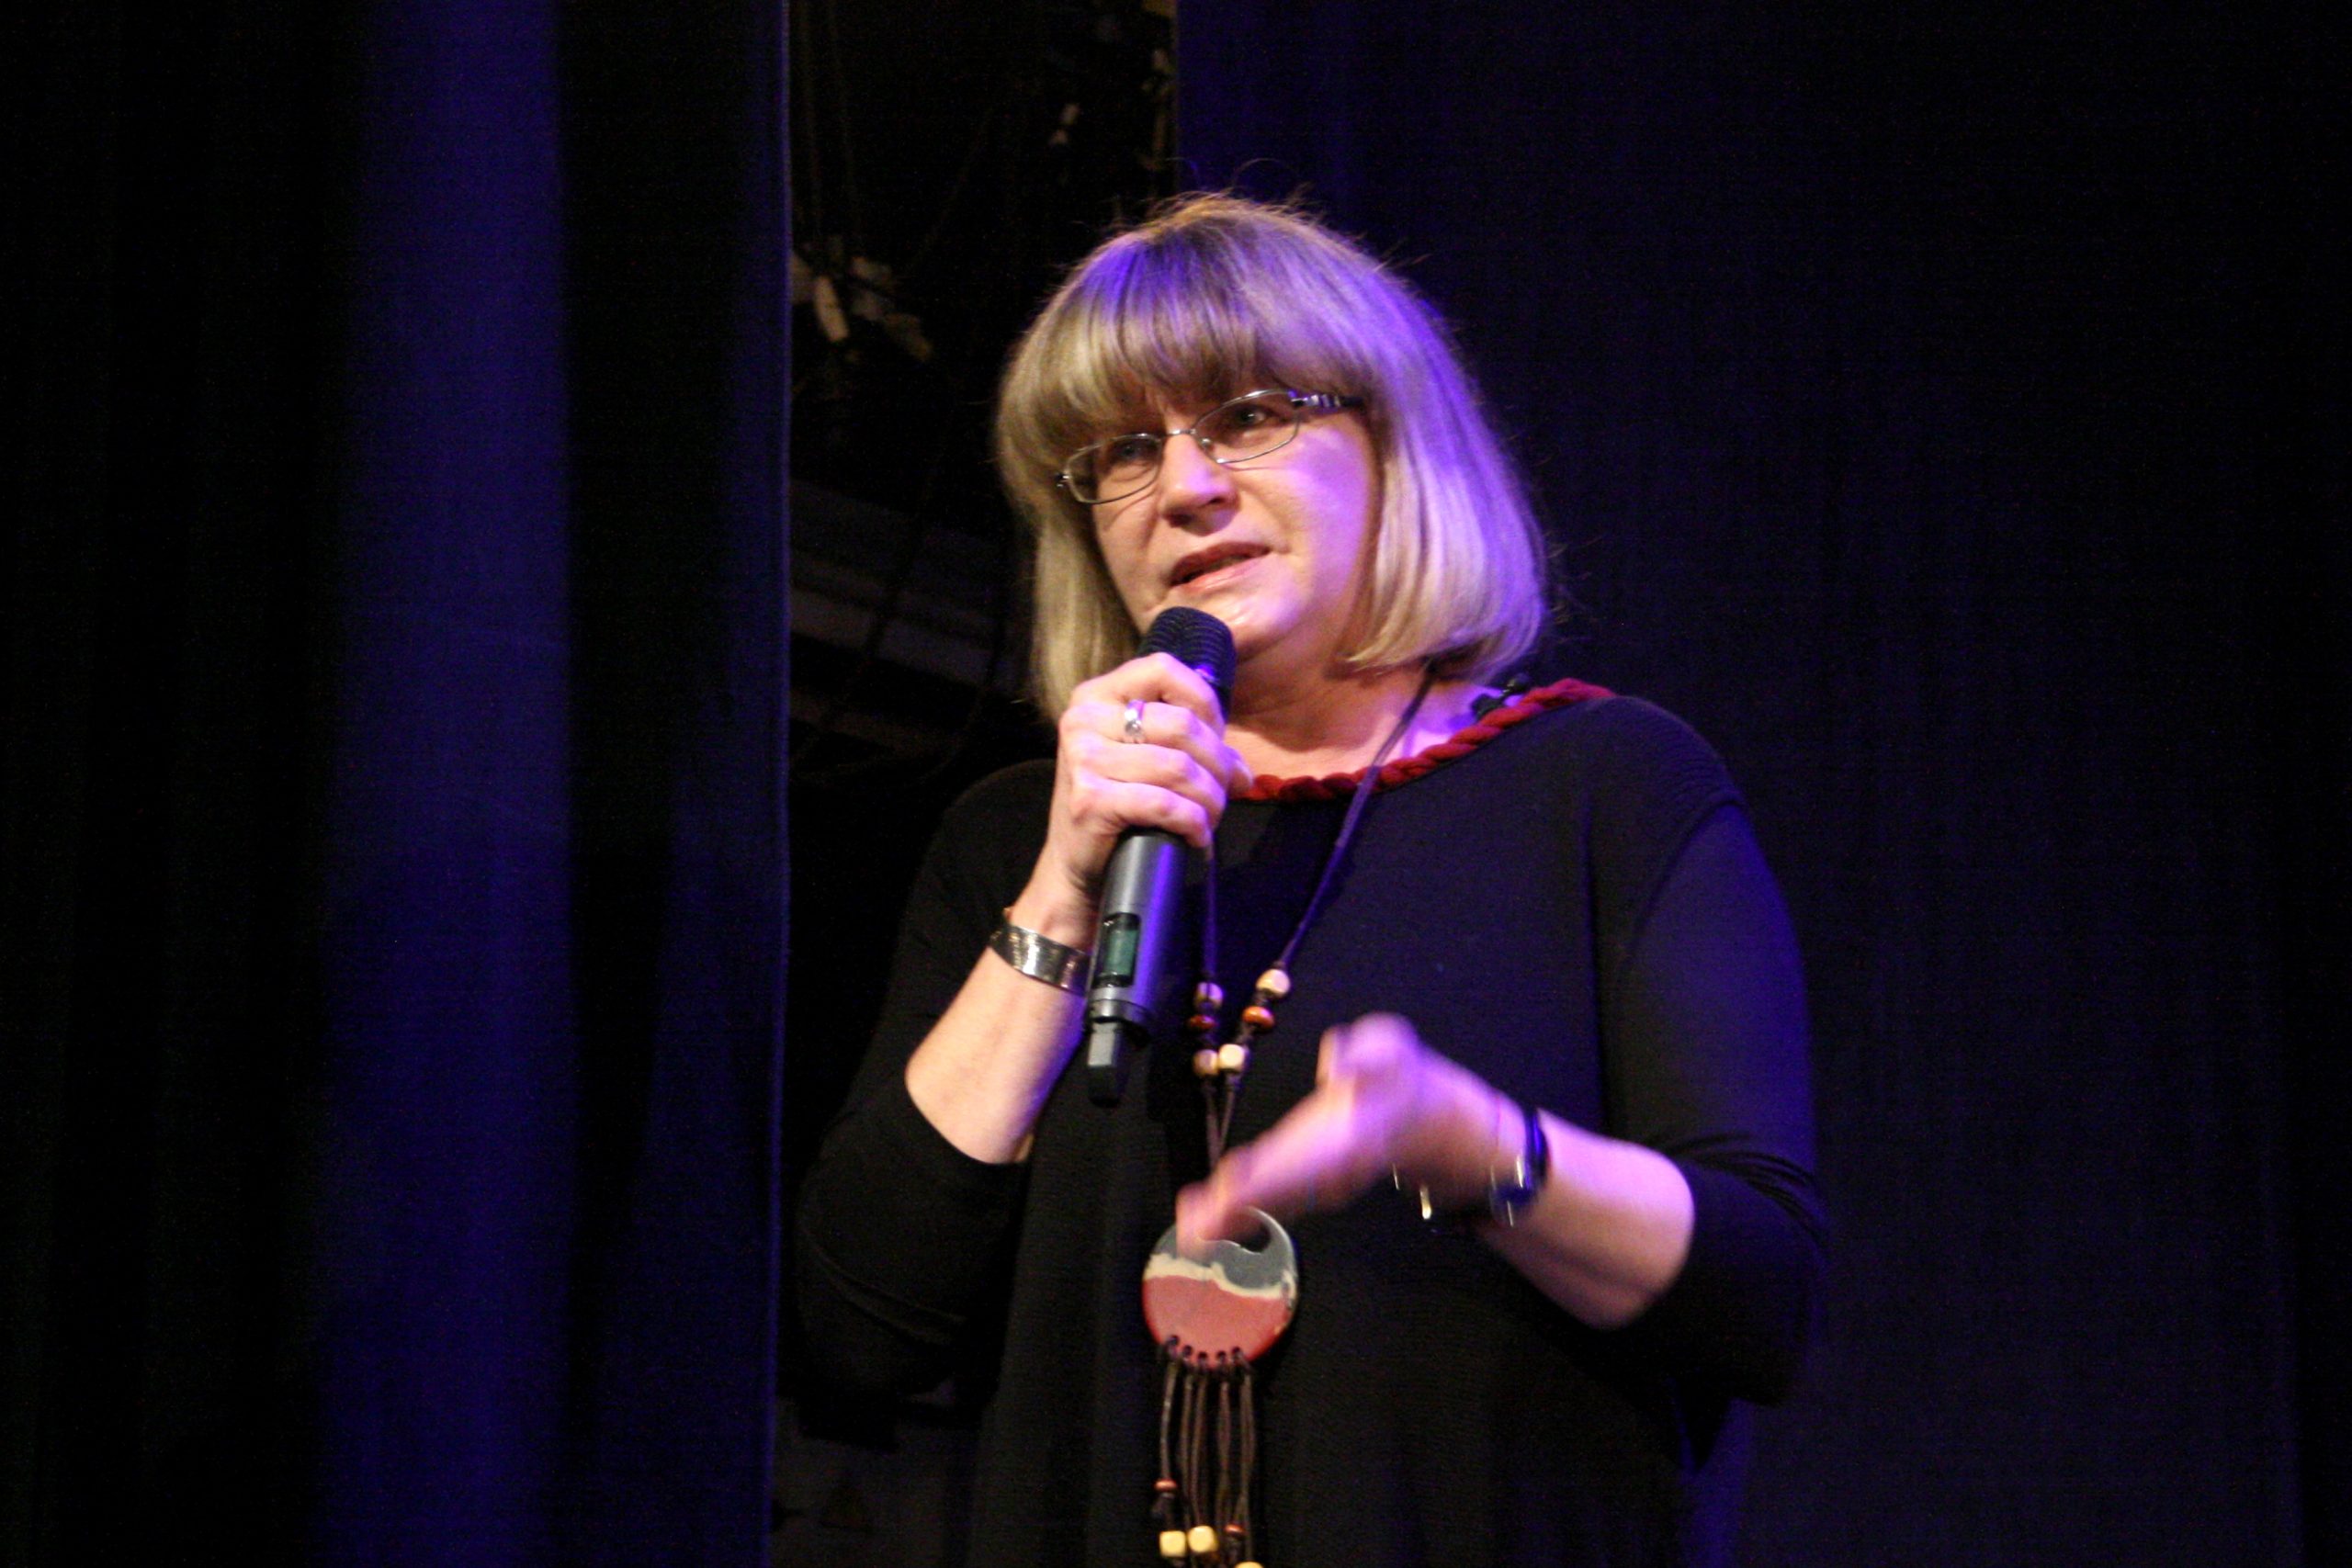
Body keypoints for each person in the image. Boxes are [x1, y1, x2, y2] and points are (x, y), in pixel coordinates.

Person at [796, 194, 1824, 1568]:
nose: (1186, 488)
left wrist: (1479, 1151)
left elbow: (1762, 1300)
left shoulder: (1605, 787)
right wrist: (1060, 893)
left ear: (1395, 447)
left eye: (1251, 416)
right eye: (1123, 451)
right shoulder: (1017, 839)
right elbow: (860, 1327)